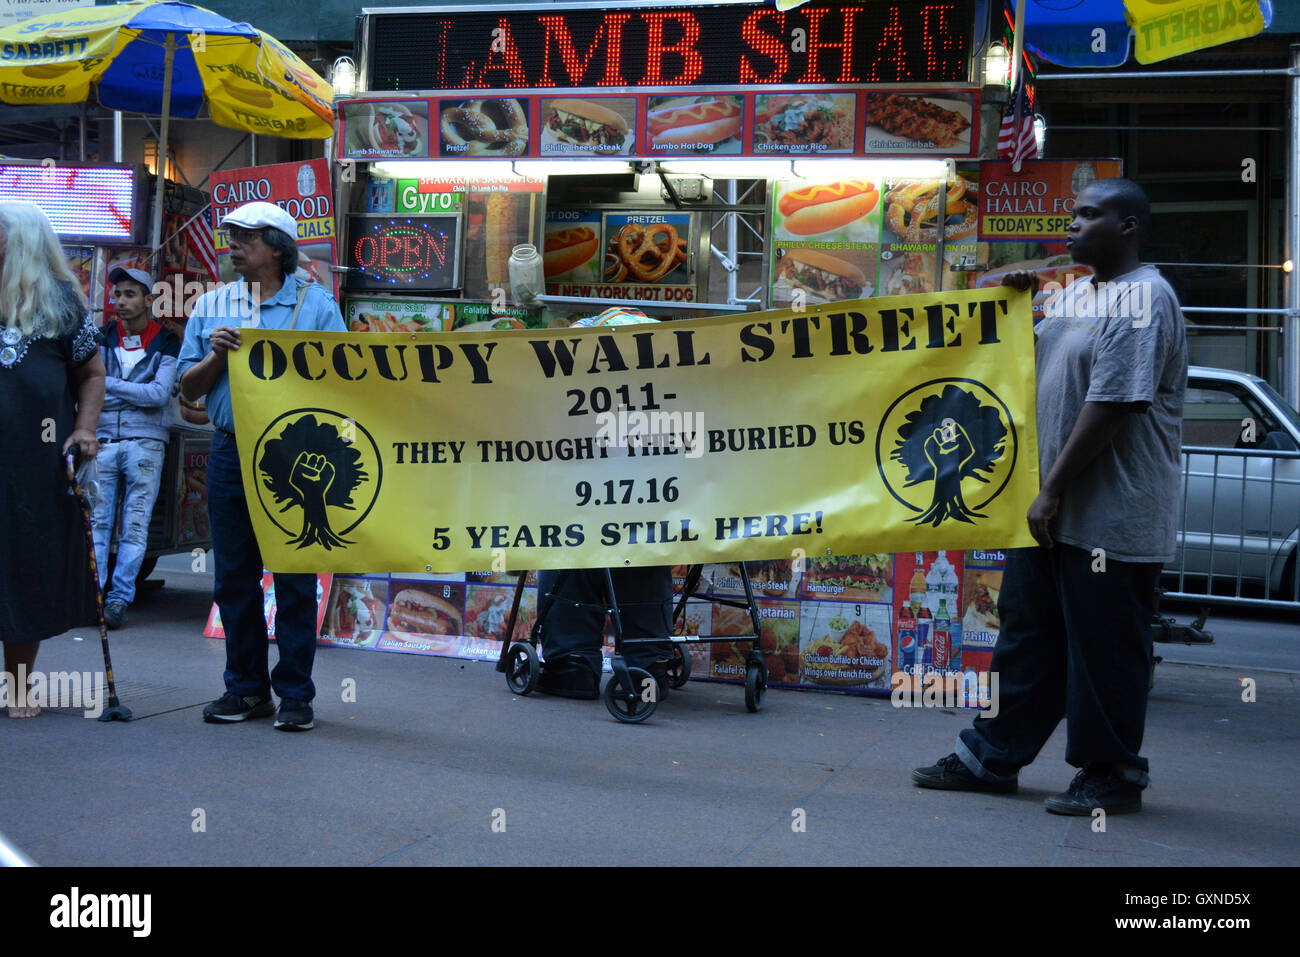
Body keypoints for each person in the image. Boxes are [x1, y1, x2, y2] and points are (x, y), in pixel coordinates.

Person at [912, 178, 1188, 815]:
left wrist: (1053, 489)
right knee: (1026, 637)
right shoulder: (1080, 296)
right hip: (1050, 511)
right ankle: (993, 756)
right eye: (1073, 214)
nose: (1073, 225)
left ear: (1129, 227)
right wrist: (1013, 310)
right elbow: (1029, 371)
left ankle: (1112, 774)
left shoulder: (1145, 299)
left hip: (1108, 516)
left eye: (1090, 215)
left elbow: (1113, 405)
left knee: (1104, 650)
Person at [179, 201, 345, 731]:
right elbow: (187, 388)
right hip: (230, 450)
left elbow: (343, 383)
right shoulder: (213, 305)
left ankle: (295, 693)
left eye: (245, 236)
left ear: (277, 247)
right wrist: (216, 357)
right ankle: (247, 690)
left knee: (295, 573)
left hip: (297, 453)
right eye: (230, 235)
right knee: (234, 576)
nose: (233, 244)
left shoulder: (316, 306)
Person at [0, 201, 105, 717]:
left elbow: (91, 374)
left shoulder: (60, 304)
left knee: (26, 566)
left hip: (33, 464)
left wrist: (84, 428)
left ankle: (17, 687)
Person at [91, 267, 180, 629]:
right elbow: (89, 391)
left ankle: (118, 600)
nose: (121, 301)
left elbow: (158, 395)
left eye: (130, 294)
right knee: (97, 523)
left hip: (146, 443)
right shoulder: (101, 335)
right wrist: (127, 394)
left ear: (149, 299)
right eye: (117, 294)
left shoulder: (167, 341)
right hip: (104, 442)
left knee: (135, 526)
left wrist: (106, 384)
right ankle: (92, 598)